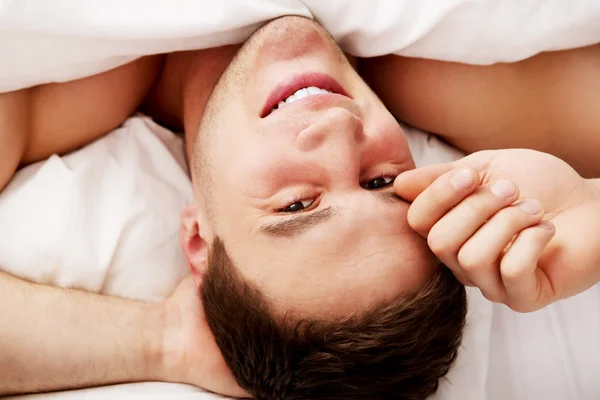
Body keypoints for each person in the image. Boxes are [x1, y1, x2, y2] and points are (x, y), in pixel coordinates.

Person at [0, 14, 598, 399]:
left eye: (296, 206)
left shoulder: (47, 99)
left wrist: (167, 341)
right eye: (381, 182)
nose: (340, 131)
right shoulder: (454, 84)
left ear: (200, 242)